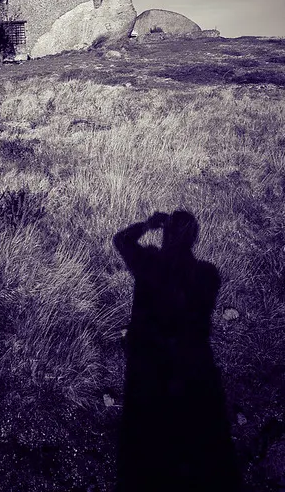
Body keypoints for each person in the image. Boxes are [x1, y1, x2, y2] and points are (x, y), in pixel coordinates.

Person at [114, 211, 241, 492]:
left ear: (165, 233)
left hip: (148, 355)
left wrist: (147, 225)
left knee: (146, 428)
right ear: (195, 238)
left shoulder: (148, 263)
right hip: (189, 357)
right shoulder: (208, 275)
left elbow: (121, 239)